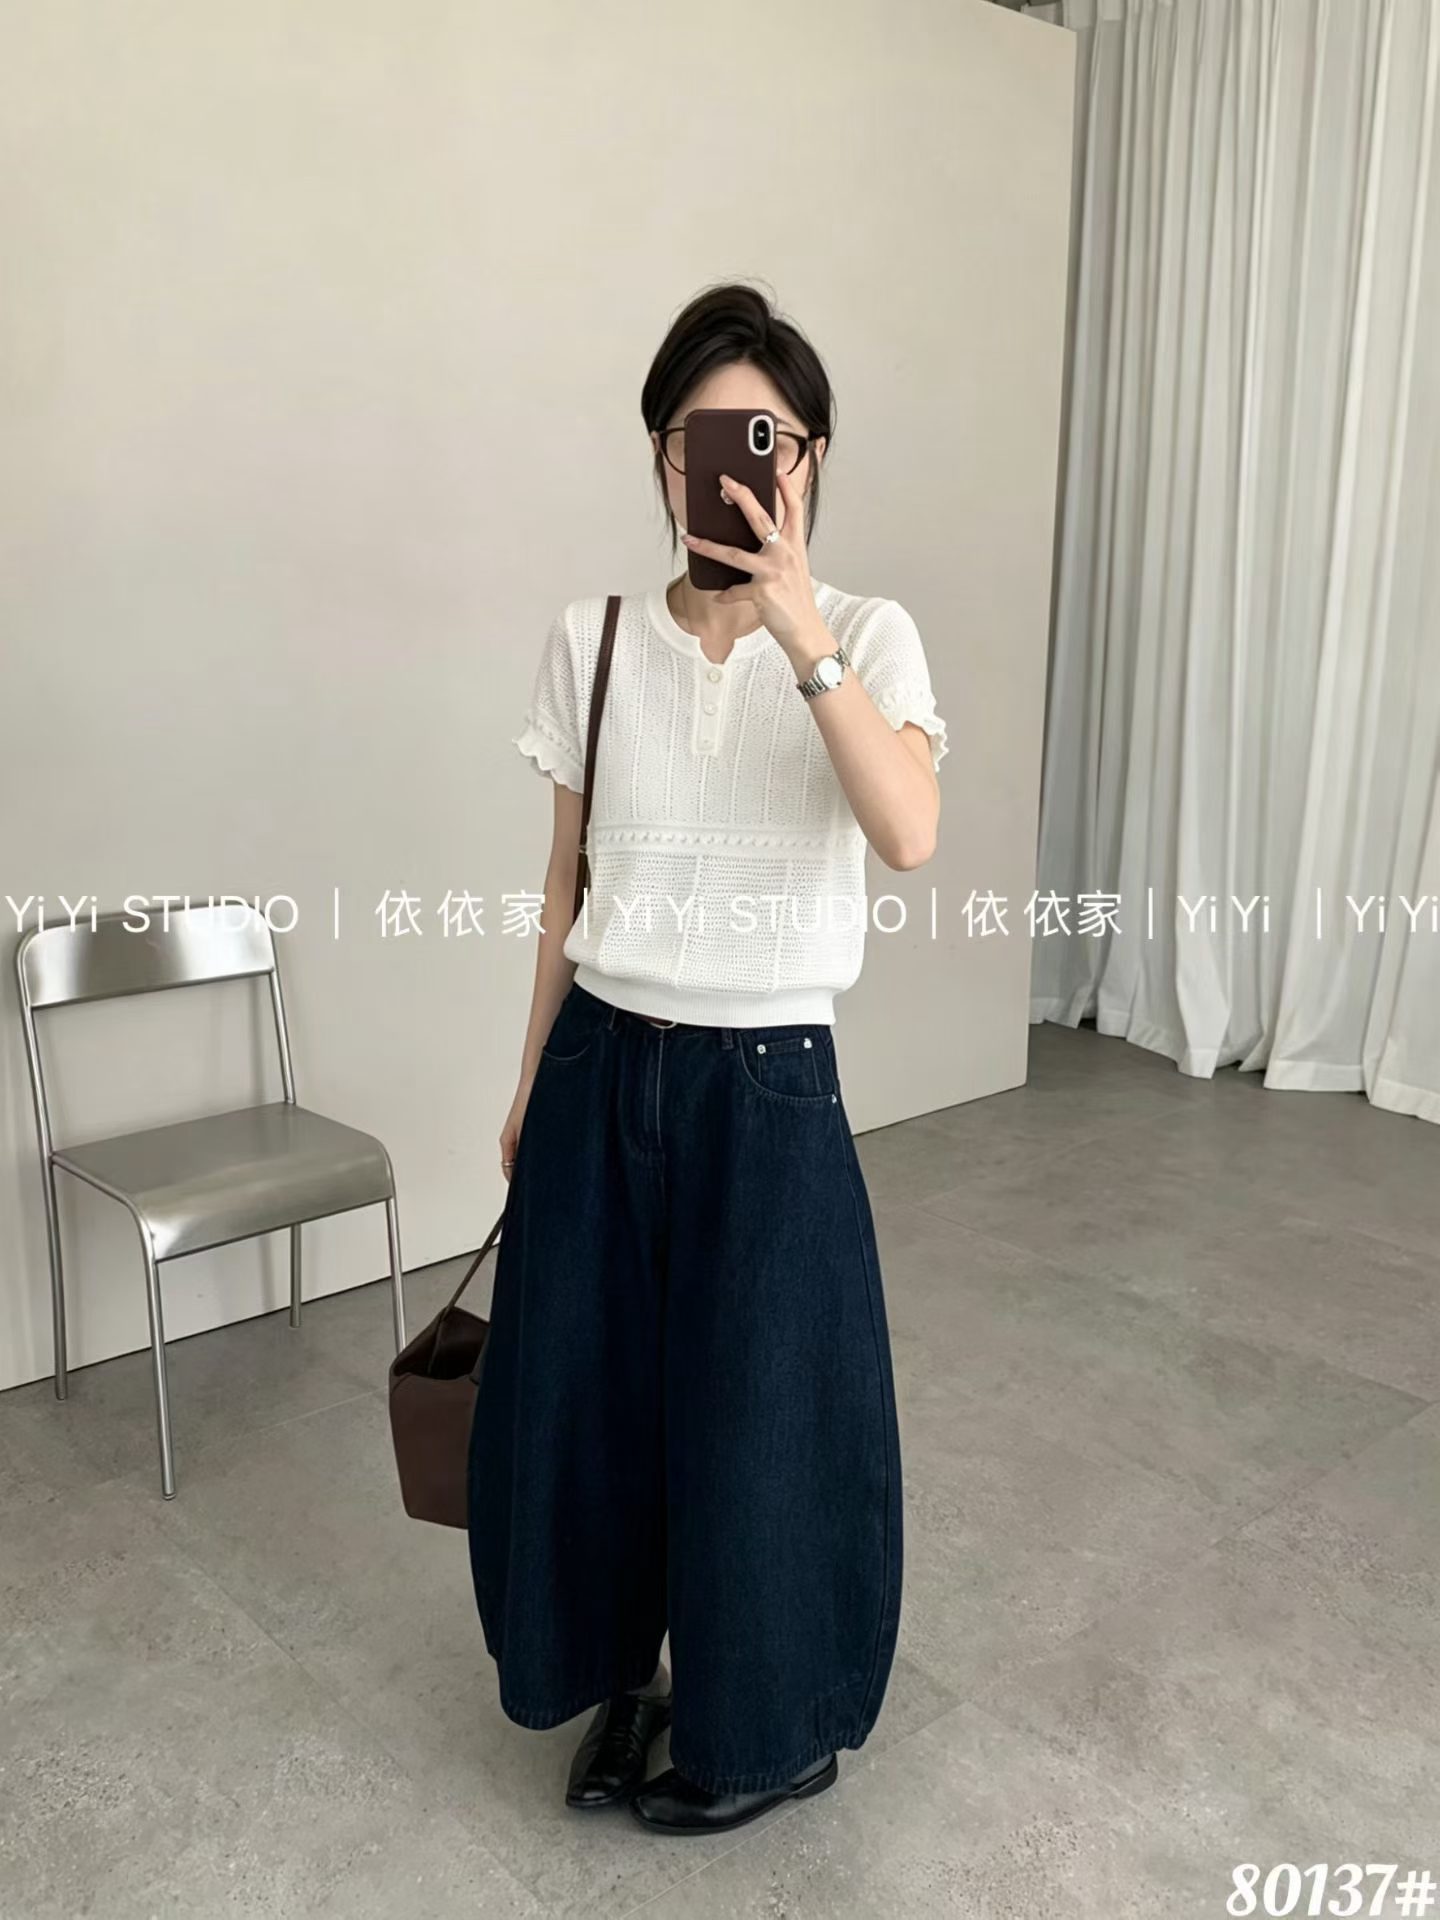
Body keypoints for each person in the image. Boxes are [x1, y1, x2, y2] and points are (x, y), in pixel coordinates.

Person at [467, 281, 948, 1837]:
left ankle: (771, 1728)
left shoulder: (870, 635)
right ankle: (621, 1671)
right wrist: (532, 1079)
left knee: (763, 1422)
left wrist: (803, 632)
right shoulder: (593, 640)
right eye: (701, 437)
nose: (734, 466)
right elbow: (565, 882)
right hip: (603, 1059)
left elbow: (908, 833)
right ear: (662, 457)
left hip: (770, 1078)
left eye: (769, 439)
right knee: (591, 1404)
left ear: (811, 460)